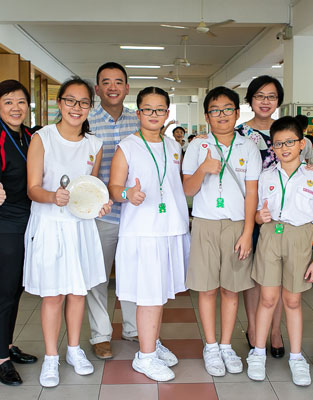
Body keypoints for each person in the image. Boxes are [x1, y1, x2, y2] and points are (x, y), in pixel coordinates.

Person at [24, 77, 112, 388]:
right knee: (53, 295)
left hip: (81, 227)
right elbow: (32, 188)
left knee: (77, 292)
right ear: (60, 103)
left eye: (84, 102)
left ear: (91, 107)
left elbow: (92, 188)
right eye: (71, 101)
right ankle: (51, 357)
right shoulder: (42, 138)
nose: (77, 107)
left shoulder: (94, 145)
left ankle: (74, 350)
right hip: (50, 225)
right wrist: (53, 196)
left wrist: (100, 205)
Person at [246, 116, 313, 386]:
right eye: (278, 143)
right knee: (267, 299)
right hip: (270, 237)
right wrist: (260, 217)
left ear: (301, 144)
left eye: (290, 142)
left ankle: (297, 358)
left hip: (300, 238)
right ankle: (258, 353)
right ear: (272, 147)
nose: (284, 148)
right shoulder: (266, 176)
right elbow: (257, 214)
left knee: (293, 301)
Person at [108, 87, 189, 382]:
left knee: (160, 293)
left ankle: (151, 342)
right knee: (149, 296)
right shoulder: (127, 146)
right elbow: (114, 189)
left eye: (160, 110)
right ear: (139, 112)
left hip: (171, 228)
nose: (154, 115)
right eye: (148, 109)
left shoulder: (173, 146)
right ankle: (145, 357)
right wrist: (128, 193)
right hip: (143, 231)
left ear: (167, 114)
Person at [182, 86, 260, 377]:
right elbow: (187, 190)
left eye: (227, 109)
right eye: (215, 110)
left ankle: (226, 345)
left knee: (231, 288)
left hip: (237, 225)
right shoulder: (198, 146)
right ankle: (211, 346)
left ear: (237, 113)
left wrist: (247, 232)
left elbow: (252, 194)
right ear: (207, 116)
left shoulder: (248, 147)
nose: (222, 115)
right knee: (207, 288)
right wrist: (203, 168)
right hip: (204, 223)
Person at [0, 80, 38, 386]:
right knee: (3, 288)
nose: (16, 108)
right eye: (8, 102)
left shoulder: (31, 136)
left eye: (21, 102)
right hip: (1, 222)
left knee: (17, 287)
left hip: (27, 219)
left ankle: (7, 344)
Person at [87, 62, 140, 359]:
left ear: (127, 88)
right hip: (100, 214)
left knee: (133, 273)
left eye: (118, 82)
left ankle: (133, 328)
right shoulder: (86, 120)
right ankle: (100, 335)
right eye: (106, 82)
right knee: (98, 276)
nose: (112, 87)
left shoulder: (139, 120)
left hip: (135, 214)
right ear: (97, 89)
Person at [235, 75, 285, 357]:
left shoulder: (286, 130)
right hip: (249, 213)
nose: (265, 101)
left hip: (281, 215)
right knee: (252, 274)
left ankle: (275, 331)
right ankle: (254, 329)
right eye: (260, 96)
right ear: (250, 100)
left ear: (279, 101)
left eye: (272, 96)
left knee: (276, 276)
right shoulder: (239, 133)